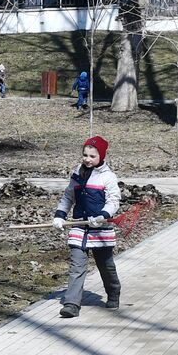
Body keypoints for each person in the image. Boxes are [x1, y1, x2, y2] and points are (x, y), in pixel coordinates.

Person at [52, 135, 121, 318]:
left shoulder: (108, 177)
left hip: (100, 229)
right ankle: (72, 304)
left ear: (102, 157)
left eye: (92, 156)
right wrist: (60, 215)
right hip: (79, 227)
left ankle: (114, 291)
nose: (87, 159)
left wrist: (103, 216)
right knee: (77, 266)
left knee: (105, 265)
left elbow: (114, 201)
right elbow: (68, 196)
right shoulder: (78, 173)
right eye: (85, 155)